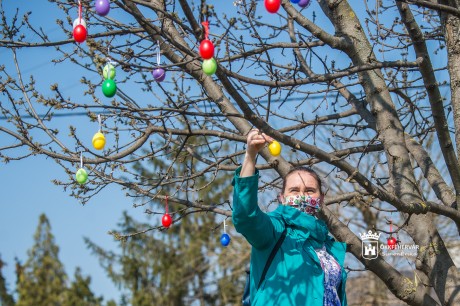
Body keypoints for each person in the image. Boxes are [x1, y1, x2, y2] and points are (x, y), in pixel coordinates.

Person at [232, 129, 347, 306]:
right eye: (294, 190)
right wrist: (250, 156)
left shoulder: (329, 247)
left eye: (309, 191)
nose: (302, 196)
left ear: (321, 198)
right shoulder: (275, 230)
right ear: (282, 198)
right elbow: (246, 217)